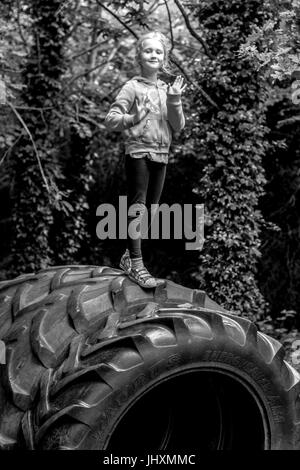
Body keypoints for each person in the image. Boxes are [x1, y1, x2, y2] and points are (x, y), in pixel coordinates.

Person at [105, 31, 186, 289]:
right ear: (139, 56)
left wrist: (174, 99)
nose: (154, 55)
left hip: (161, 154)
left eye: (158, 51)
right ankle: (137, 264)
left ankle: (129, 256)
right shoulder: (132, 87)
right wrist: (132, 118)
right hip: (138, 152)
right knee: (138, 207)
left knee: (151, 212)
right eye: (148, 50)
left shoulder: (166, 89)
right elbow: (111, 120)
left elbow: (178, 126)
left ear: (164, 58)